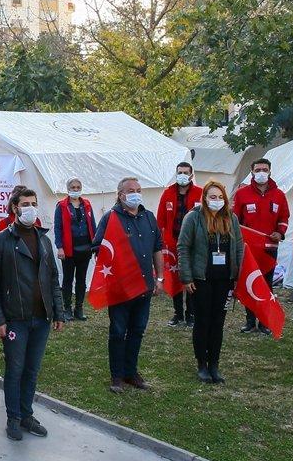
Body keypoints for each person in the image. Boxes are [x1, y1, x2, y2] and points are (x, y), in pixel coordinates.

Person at [0, 189, 66, 441]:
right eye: (25, 204)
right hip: (15, 319)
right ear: (14, 208)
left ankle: (27, 414)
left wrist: (59, 312)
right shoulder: (0, 242)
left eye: (34, 204)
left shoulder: (44, 240)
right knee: (15, 369)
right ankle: (14, 418)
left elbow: (52, 278)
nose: (30, 208)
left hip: (41, 318)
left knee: (32, 369)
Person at [92, 177, 163, 394]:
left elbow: (157, 248)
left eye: (138, 190)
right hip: (120, 289)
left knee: (138, 330)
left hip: (144, 287)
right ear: (120, 194)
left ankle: (131, 372)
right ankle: (116, 375)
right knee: (118, 331)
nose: (135, 193)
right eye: (131, 190)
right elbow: (98, 248)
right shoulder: (110, 218)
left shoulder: (149, 217)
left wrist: (159, 277)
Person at [177, 181, 243, 384]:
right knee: (203, 321)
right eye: (212, 197)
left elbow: (239, 247)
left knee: (218, 323)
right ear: (205, 198)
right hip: (201, 279)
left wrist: (238, 275)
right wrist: (186, 277)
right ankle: (202, 364)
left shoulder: (231, 218)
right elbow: (183, 247)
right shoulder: (194, 218)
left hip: (224, 279)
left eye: (220, 197)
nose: (216, 201)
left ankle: (214, 363)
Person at [233, 158, 290, 334]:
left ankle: (264, 321)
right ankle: (250, 322)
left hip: (269, 249)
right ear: (252, 172)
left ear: (270, 172)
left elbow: (284, 218)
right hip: (248, 249)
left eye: (265, 169)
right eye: (258, 170)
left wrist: (280, 233)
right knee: (249, 283)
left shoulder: (279, 195)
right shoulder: (242, 194)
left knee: (266, 285)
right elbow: (235, 221)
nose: (261, 173)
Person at [157, 162, 202, 329]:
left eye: (185, 172)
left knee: (190, 278)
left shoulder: (200, 193)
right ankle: (178, 313)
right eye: (180, 172)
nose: (182, 175)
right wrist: (160, 241)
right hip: (172, 243)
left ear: (191, 175)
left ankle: (191, 314)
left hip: (193, 244)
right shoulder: (168, 193)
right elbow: (160, 218)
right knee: (175, 279)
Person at [53, 177, 96, 321]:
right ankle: (67, 309)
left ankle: (79, 308)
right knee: (67, 279)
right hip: (69, 249)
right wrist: (60, 247)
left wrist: (95, 245)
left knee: (81, 280)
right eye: (73, 187)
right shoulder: (61, 206)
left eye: (78, 187)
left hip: (85, 248)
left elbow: (93, 225)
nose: (76, 190)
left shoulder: (87, 204)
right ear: (68, 189)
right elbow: (58, 228)